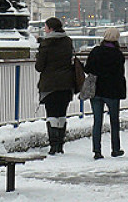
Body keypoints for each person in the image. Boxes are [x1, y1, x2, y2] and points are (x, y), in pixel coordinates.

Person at [85, 27, 127, 159]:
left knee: (97, 121)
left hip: (96, 90)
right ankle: (115, 149)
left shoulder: (96, 51)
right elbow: (120, 74)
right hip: (112, 91)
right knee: (114, 121)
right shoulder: (118, 55)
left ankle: (97, 150)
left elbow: (87, 68)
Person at [36, 17, 75, 155]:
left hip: (50, 85)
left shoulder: (46, 44)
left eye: (45, 27)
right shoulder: (68, 42)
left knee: (51, 114)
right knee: (62, 114)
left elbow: (39, 66)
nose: (44, 30)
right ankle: (60, 145)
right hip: (66, 84)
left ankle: (53, 145)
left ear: (50, 29)